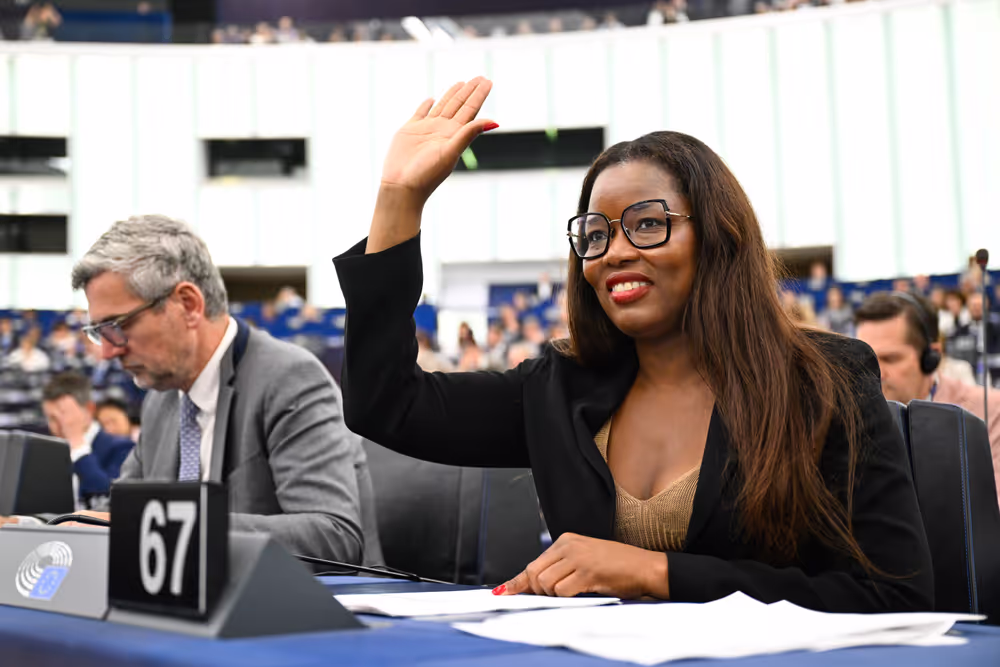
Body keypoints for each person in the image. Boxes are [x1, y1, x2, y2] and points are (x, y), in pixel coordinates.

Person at [333, 77, 932, 611]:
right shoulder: (557, 389)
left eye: (648, 223)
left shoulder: (824, 382)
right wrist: (399, 199)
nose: (615, 251)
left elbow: (894, 596)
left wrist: (655, 572)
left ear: (717, 235)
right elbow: (385, 404)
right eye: (595, 234)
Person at [69, 215, 381, 565]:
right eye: (99, 333)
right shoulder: (161, 401)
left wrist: (178, 529)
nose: (108, 352)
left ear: (188, 305)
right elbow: (120, 515)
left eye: (117, 326)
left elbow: (333, 537)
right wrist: (41, 525)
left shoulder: (289, 379)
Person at [855, 292, 1000, 509]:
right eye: (866, 360)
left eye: (890, 359)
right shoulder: (852, 420)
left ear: (931, 357)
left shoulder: (989, 410)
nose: (876, 373)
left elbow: (991, 510)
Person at [41, 372, 134, 510]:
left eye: (64, 415)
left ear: (89, 409)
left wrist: (77, 444)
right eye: (51, 418)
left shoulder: (121, 447)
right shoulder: (48, 453)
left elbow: (108, 498)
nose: (58, 425)